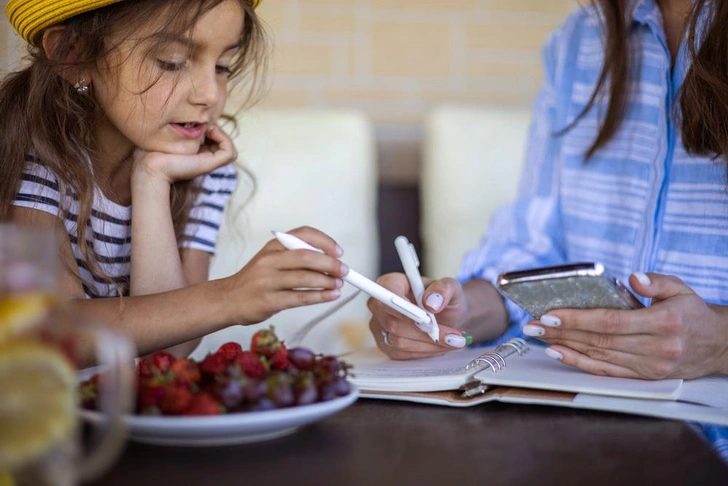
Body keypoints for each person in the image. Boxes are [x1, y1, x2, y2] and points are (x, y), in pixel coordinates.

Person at [367, 0, 727, 461]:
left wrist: (720, 342)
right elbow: (535, 249)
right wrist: (456, 313)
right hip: (581, 434)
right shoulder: (582, 38)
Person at [0, 0, 349, 359]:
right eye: (171, 62)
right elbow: (47, 334)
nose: (209, 94)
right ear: (73, 55)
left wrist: (151, 179)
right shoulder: (32, 154)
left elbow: (167, 353)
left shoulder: (205, 171)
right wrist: (230, 296)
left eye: (222, 66)